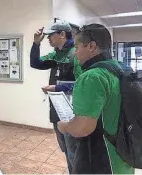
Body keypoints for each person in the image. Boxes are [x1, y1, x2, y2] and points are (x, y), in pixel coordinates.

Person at [57, 23, 134, 174]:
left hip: (102, 160)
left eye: (78, 47)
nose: (76, 53)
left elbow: (82, 128)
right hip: (124, 155)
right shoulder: (121, 68)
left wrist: (63, 126)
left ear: (91, 46)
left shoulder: (92, 76)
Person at [30, 20, 82, 173]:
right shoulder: (57, 54)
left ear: (62, 34)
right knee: (67, 150)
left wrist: (57, 87)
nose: (48, 39)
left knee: (75, 152)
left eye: (50, 35)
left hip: (72, 111)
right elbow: (36, 63)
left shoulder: (76, 53)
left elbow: (82, 83)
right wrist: (35, 44)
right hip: (58, 109)